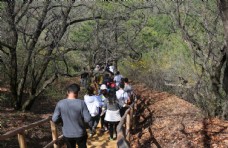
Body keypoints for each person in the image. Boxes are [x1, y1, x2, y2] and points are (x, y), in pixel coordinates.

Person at [52, 83, 92, 148]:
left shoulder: (60, 103)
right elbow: (88, 119)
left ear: (67, 92)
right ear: (77, 93)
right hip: (80, 133)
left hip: (67, 134)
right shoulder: (81, 103)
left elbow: (54, 119)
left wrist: (61, 120)